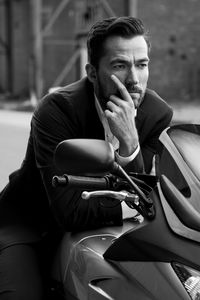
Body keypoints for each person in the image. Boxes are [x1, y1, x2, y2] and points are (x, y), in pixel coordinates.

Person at [0, 16, 173, 299]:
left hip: (104, 231)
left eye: (142, 65)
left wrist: (130, 143)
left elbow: (144, 189)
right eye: (120, 65)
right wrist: (134, 207)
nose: (134, 79)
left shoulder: (157, 114)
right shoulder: (57, 110)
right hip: (30, 226)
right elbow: (70, 210)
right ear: (92, 72)